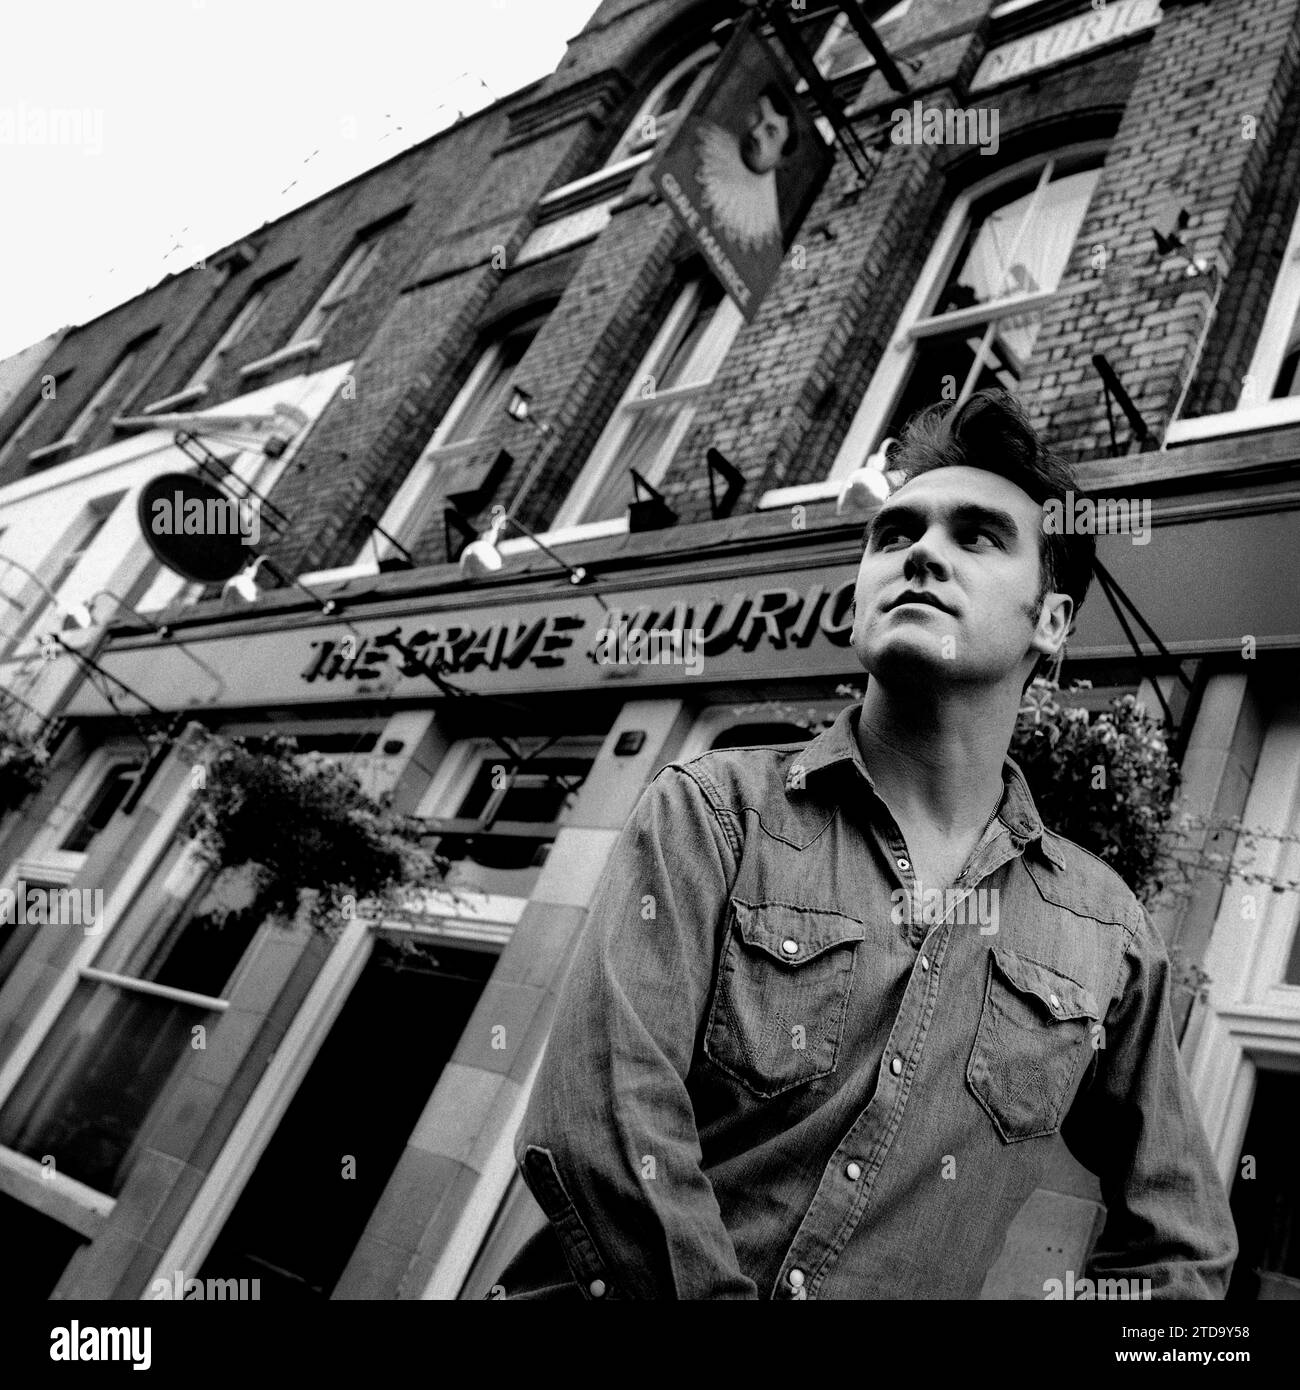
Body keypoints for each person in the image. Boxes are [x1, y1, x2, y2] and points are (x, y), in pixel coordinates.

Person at [490, 389, 1238, 1300]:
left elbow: (1185, 1248)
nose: (921, 552)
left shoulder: (1106, 930)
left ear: (1050, 623)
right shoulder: (714, 812)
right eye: (894, 535)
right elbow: (603, 1130)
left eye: (978, 536)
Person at [695, 82, 798, 254]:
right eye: (757, 116)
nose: (756, 132)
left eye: (770, 132)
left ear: (781, 161)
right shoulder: (702, 143)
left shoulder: (766, 232)